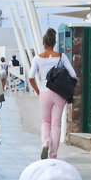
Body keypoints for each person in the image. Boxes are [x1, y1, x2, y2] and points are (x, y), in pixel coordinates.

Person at [27, 28, 77, 160]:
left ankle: (45, 143)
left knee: (45, 121)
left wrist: (38, 91)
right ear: (54, 43)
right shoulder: (62, 57)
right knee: (56, 124)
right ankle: (53, 155)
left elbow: (30, 77)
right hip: (59, 93)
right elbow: (73, 75)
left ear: (43, 43)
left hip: (44, 92)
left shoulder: (37, 58)